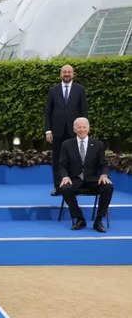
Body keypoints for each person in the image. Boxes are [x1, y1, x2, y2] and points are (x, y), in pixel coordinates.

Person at [59, 117, 113, 233]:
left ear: (88, 129)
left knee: (108, 187)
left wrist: (104, 174)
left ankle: (98, 221)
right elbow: (62, 165)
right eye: (79, 127)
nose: (81, 130)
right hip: (75, 179)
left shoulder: (98, 144)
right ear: (74, 129)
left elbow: (103, 164)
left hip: (93, 179)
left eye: (84, 127)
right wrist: (65, 176)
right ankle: (80, 219)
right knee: (65, 188)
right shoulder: (66, 144)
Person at [45, 64, 87, 195]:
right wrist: (48, 130)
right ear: (60, 74)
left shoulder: (80, 89)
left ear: (73, 74)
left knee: (75, 160)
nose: (67, 74)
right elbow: (48, 112)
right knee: (57, 160)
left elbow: (83, 111)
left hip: (74, 132)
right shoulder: (53, 90)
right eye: (64, 72)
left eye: (69, 72)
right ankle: (58, 188)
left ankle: (73, 187)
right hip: (57, 132)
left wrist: (83, 130)